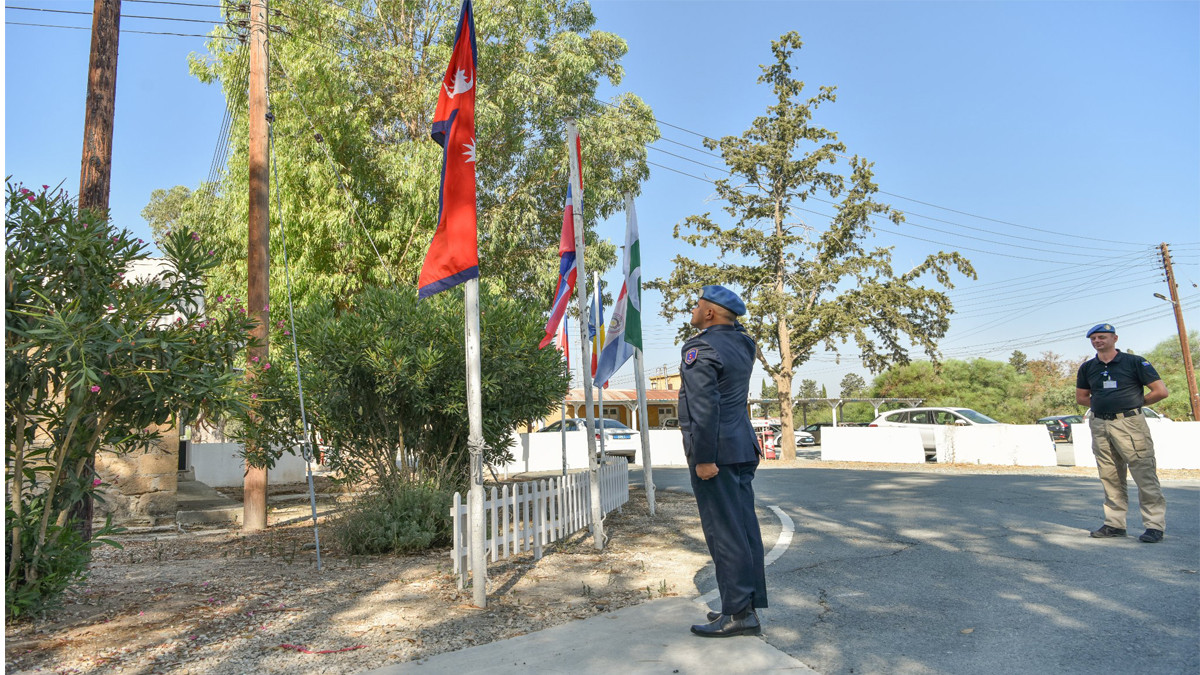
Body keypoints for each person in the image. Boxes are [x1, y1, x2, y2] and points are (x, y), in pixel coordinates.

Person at [678, 285, 767, 637]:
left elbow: (704, 409)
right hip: (742, 447)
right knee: (744, 531)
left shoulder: (699, 347)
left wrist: (703, 459)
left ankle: (740, 615)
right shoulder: (744, 344)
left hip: (717, 456)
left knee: (724, 534)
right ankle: (740, 605)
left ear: (710, 313)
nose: (695, 309)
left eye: (699, 305)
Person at [1075, 323, 1170, 543]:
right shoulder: (1088, 367)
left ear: (1115, 338)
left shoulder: (1135, 362)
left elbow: (1160, 392)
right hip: (1099, 424)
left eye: (1102, 337)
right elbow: (1081, 398)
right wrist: (1103, 406)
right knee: (1109, 475)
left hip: (1129, 424)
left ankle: (1154, 525)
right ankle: (1114, 524)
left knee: (1143, 474)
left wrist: (1134, 405)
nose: (1097, 341)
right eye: (1094, 338)